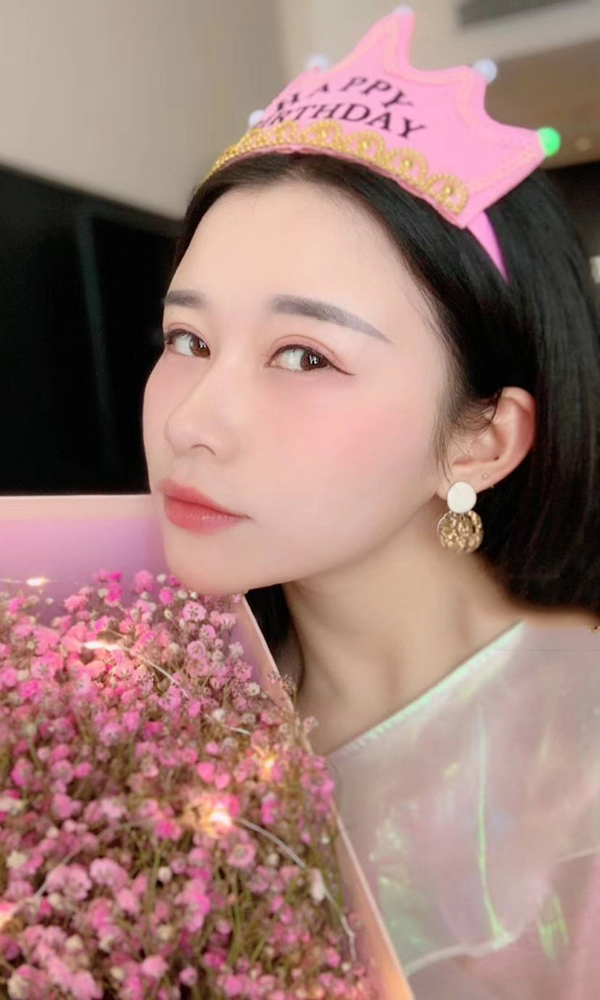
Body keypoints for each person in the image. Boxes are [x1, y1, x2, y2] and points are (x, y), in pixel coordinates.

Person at [142, 8, 600, 997]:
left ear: (483, 438)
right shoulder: (141, 696)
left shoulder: (573, 781)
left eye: (305, 356)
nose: (192, 420)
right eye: (187, 341)